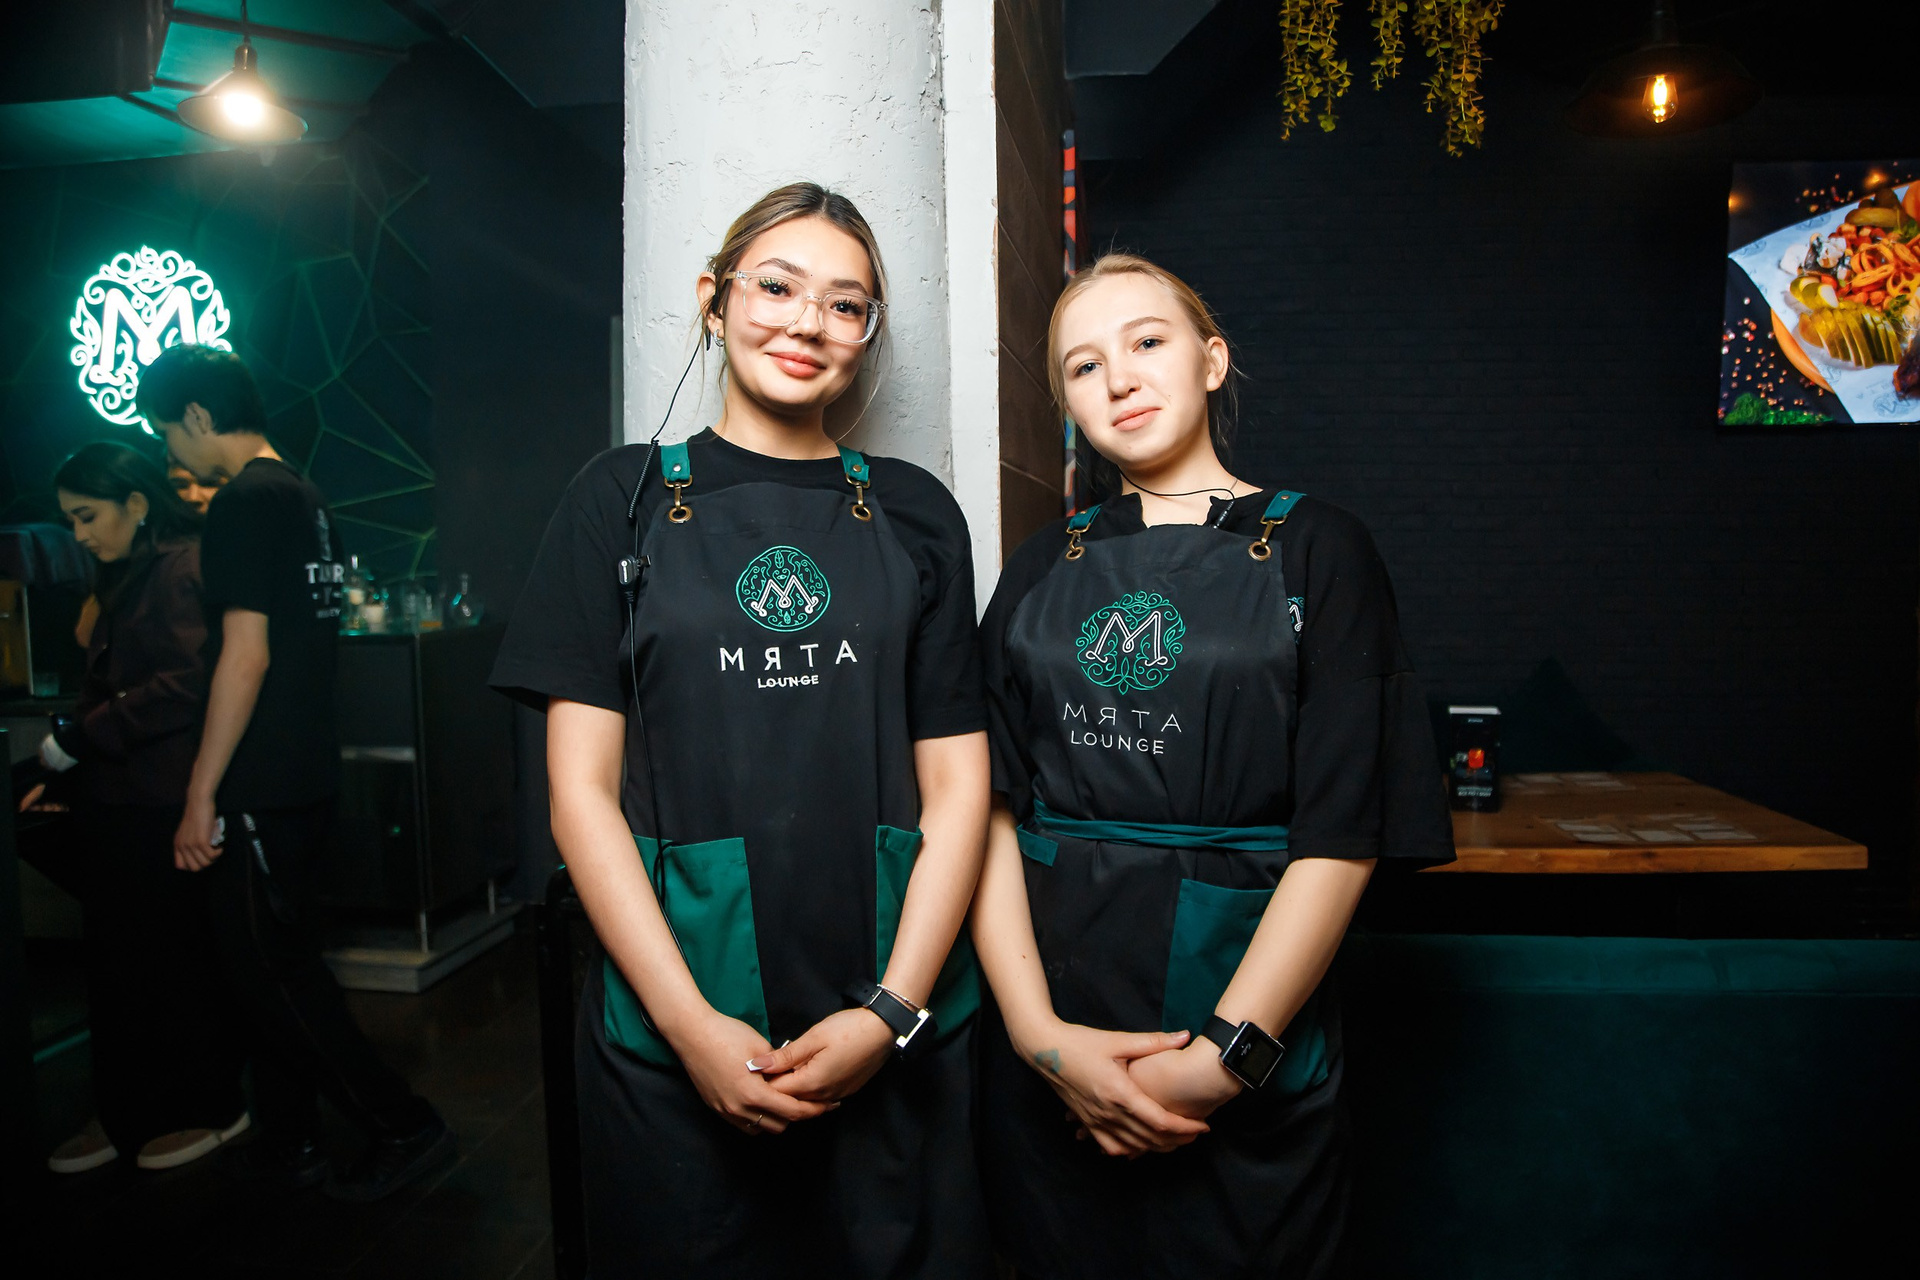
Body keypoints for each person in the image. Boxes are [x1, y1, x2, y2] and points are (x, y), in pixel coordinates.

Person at [491, 182, 992, 1277]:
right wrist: (688, 1024)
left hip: (884, 983)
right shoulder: (616, 499)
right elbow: (581, 794)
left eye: (846, 304)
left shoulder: (915, 510)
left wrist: (892, 1010)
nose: (808, 322)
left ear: (867, 334)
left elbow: (961, 788)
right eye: (776, 286)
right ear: (714, 301)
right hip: (683, 1006)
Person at [971, 254, 1455, 1278]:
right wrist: (1040, 1038)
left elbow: (1343, 831)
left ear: (1212, 360)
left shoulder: (1320, 548)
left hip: (1240, 1036)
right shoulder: (1040, 565)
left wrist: (1225, 1060)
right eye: (1084, 366)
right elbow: (989, 811)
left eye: (1147, 341)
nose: (1120, 378)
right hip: (1053, 1032)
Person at [139, 344, 451, 1202]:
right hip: (306, 771)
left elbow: (245, 657)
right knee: (275, 967)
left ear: (197, 415)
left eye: (168, 431)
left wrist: (200, 793)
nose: (171, 451)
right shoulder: (304, 496)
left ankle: (402, 1124)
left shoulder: (244, 502)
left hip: (260, 782)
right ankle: (292, 1140)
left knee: (269, 975)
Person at [33, 442, 248, 1176]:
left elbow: (184, 683)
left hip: (159, 794)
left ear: (135, 503)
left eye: (87, 516)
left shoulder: (181, 567)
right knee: (121, 965)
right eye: (70, 520)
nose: (79, 534)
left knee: (168, 962)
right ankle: (128, 1111)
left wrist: (81, 737)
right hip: (122, 795)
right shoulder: (131, 571)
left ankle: (204, 1106)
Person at [72, 459, 218, 651]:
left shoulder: (185, 562)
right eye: (179, 485)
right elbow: (86, 636)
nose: (193, 497)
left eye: (209, 483)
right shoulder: (145, 558)